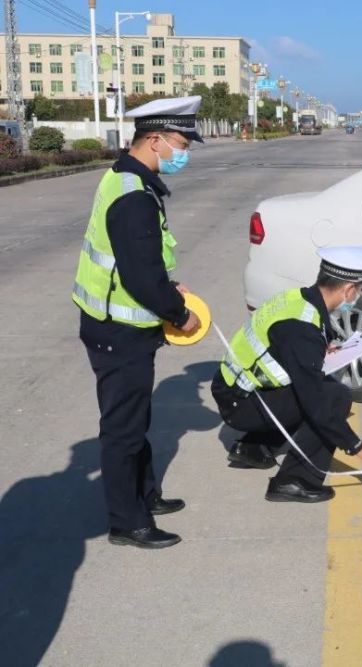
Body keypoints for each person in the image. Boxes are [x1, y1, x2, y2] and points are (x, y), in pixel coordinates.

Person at [72, 96, 204, 549]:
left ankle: (146, 495)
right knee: (123, 428)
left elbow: (142, 262)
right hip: (118, 330)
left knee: (136, 418)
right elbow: (140, 276)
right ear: (155, 139)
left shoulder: (130, 179)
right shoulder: (133, 195)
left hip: (119, 325)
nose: (184, 151)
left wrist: (169, 287)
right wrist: (178, 312)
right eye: (181, 142)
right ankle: (128, 521)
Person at [211, 246, 362, 502]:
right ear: (348, 289)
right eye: (360, 290)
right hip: (241, 404)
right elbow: (317, 404)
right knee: (334, 397)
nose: (358, 297)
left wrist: (324, 347)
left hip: (236, 390)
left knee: (313, 388)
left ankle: (253, 447)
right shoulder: (300, 329)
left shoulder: (298, 299)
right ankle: (294, 481)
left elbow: (287, 344)